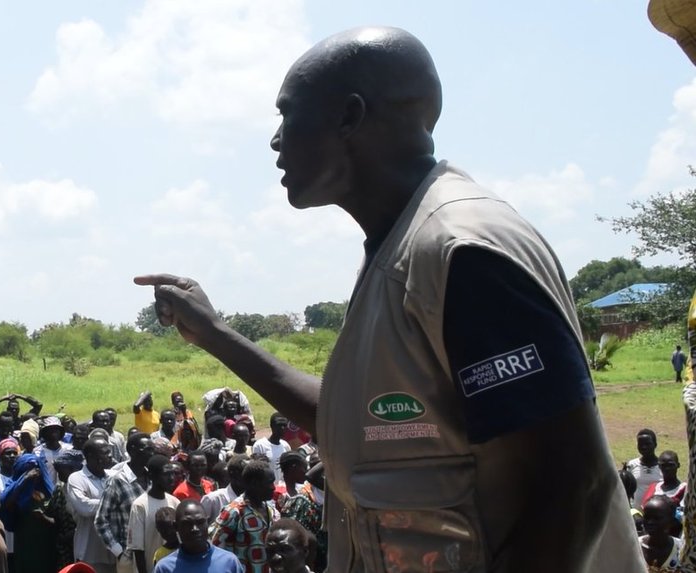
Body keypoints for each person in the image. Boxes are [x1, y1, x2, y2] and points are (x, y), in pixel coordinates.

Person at [136, 26, 640, 572]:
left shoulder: (460, 251)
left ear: (349, 117)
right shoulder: (397, 252)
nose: (276, 140)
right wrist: (212, 333)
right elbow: (352, 423)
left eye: (288, 115)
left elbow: (571, 486)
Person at [96, 433, 152, 573]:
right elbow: (101, 520)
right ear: (132, 451)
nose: (151, 453)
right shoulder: (118, 481)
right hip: (129, 557)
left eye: (152, 449)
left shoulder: (152, 479)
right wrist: (119, 552)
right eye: (147, 449)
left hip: (152, 552)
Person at [210, 460, 278, 573]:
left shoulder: (272, 511)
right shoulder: (234, 512)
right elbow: (212, 543)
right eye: (269, 482)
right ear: (254, 483)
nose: (273, 487)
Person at [0, 453, 56, 573]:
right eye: (28, 470)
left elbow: (59, 521)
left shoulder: (48, 490)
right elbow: (6, 504)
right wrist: (24, 480)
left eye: (35, 469)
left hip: (45, 543)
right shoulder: (15, 490)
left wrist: (43, 517)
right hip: (24, 542)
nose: (34, 473)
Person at [68, 439, 116, 573]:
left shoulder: (114, 476)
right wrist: (114, 504)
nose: (110, 456)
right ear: (90, 456)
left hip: (114, 551)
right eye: (105, 452)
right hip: (90, 551)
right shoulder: (77, 479)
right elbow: (85, 507)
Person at [152, 501, 242, 573]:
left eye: (200, 522)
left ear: (208, 523)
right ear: (176, 527)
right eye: (187, 524)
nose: (195, 529)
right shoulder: (164, 568)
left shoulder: (229, 562)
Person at [128, 455, 181, 573]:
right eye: (166, 474)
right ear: (152, 476)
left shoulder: (175, 502)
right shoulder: (140, 505)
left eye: (173, 474)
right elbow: (137, 548)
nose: (171, 478)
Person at [641, 496, 683, 572]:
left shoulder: (682, 550)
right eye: (646, 517)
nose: (650, 522)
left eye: (657, 518)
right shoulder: (634, 547)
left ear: (671, 521)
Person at [199, 455, 246, 520]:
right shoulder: (213, 499)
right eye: (245, 474)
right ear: (232, 475)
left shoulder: (254, 501)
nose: (251, 478)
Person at [629, 429, 664, 509]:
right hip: (636, 513)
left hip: (658, 513)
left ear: (655, 444)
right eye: (640, 444)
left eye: (647, 444)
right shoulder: (632, 465)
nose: (644, 447)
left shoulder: (664, 466)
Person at [33, 417, 72, 485]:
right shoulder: (37, 452)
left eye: (56, 429)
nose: (54, 432)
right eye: (50, 429)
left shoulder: (68, 449)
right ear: (45, 432)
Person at [251, 414, 290, 479]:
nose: (282, 428)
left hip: (282, 485)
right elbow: (256, 471)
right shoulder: (260, 445)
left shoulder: (286, 446)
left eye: (284, 425)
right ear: (271, 426)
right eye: (279, 425)